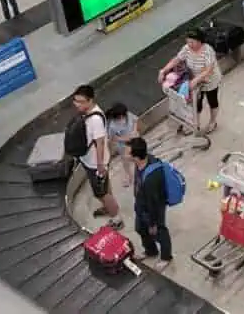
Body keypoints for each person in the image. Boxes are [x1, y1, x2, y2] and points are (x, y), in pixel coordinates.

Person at [71, 85, 124, 230]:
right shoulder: (85, 113)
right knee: (105, 188)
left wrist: (100, 165)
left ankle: (116, 218)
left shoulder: (95, 119)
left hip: (96, 163)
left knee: (102, 192)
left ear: (90, 100)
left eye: (81, 101)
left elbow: (100, 143)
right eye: (75, 100)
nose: (77, 104)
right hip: (89, 161)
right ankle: (108, 207)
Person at [157, 29, 223, 134]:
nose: (189, 44)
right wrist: (164, 70)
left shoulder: (208, 50)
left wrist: (196, 80)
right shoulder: (187, 48)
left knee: (212, 100)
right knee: (196, 104)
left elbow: (209, 70)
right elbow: (177, 59)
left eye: (192, 42)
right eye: (188, 42)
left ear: (200, 41)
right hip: (195, 81)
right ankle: (195, 124)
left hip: (210, 80)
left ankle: (212, 122)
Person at [128, 137, 172, 269]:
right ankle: (151, 251)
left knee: (159, 231)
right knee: (140, 228)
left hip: (153, 209)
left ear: (135, 157)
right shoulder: (141, 162)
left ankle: (166, 257)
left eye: (128, 152)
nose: (125, 154)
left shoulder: (151, 177)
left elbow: (153, 202)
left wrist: (152, 223)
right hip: (141, 205)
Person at [105, 102, 138, 187]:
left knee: (138, 157)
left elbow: (135, 121)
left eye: (123, 115)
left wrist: (134, 131)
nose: (123, 117)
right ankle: (130, 177)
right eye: (120, 116)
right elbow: (112, 138)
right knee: (126, 162)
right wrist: (124, 138)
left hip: (135, 141)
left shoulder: (128, 114)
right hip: (123, 146)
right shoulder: (113, 126)